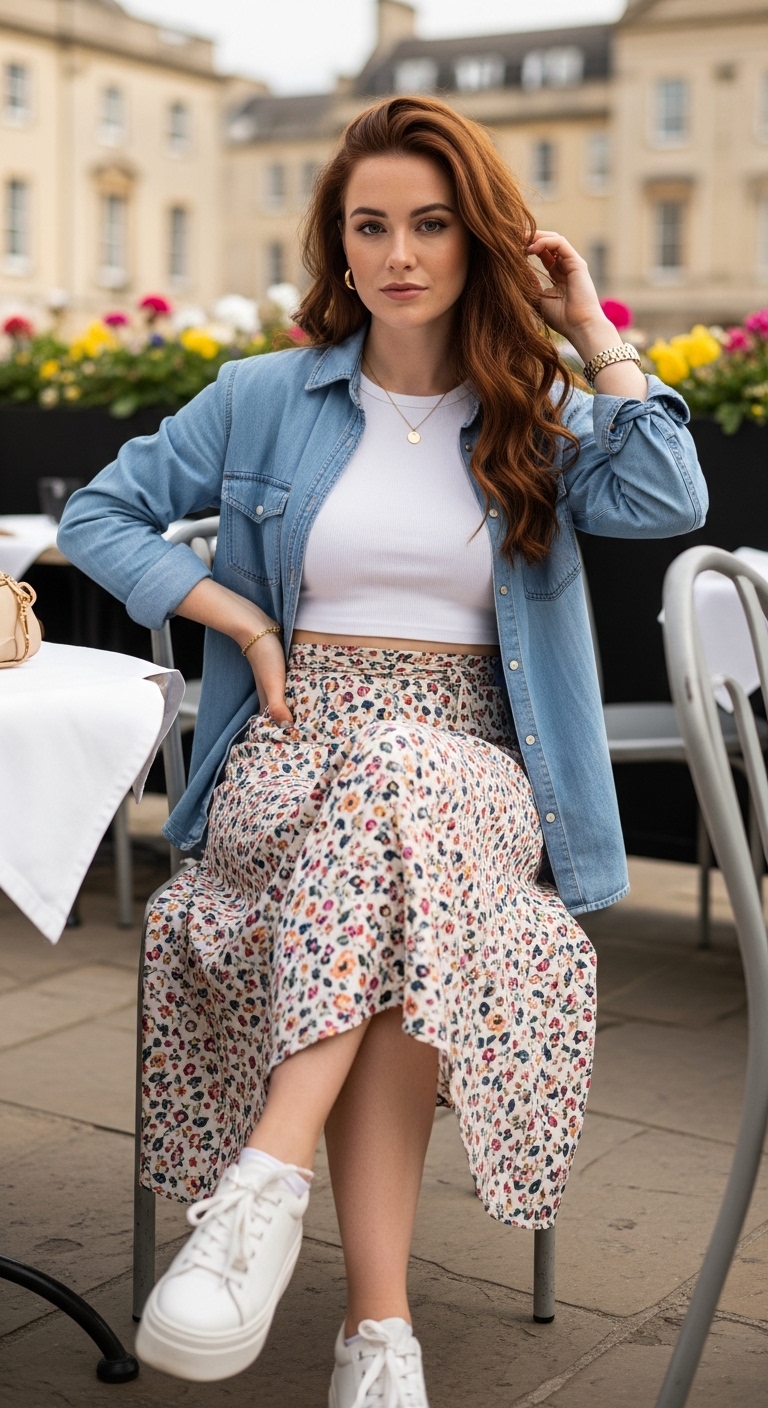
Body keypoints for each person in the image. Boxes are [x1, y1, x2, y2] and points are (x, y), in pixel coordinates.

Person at [58, 95, 706, 1406]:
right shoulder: (258, 398)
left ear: (480, 240)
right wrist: (231, 611)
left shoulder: (539, 408)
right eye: (371, 226)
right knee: (407, 857)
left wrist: (590, 328)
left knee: (412, 801)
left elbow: (670, 496)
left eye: (432, 223)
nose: (400, 253)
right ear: (337, 245)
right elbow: (103, 515)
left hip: (472, 759)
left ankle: (271, 1195)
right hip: (291, 754)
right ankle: (376, 1342)